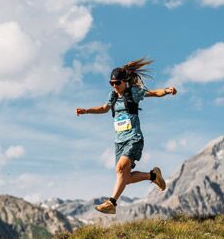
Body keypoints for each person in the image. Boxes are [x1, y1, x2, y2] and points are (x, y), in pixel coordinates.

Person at [76, 58, 177, 214]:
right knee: (125, 178)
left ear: (125, 82)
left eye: (117, 83)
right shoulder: (113, 96)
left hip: (133, 138)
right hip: (119, 142)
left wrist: (167, 90)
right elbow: (104, 108)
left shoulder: (134, 92)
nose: (115, 86)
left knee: (120, 167)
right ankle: (153, 175)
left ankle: (111, 203)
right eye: (112, 83)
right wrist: (86, 110)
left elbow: (154, 93)